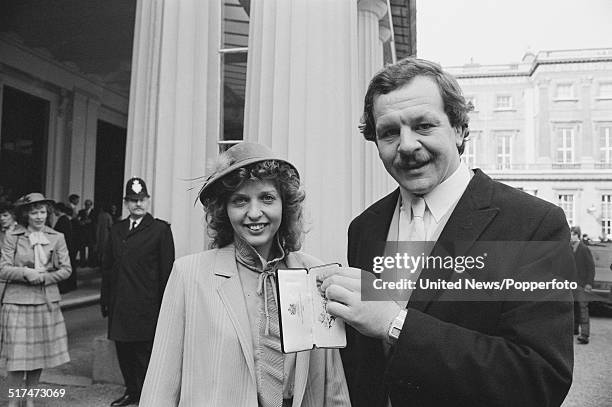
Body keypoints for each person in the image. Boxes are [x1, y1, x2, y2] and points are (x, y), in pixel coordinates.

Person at [319, 58, 575, 407]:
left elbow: (540, 379)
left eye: (423, 126)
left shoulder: (533, 223)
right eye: (389, 132)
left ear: (459, 129)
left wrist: (394, 323)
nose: (406, 146)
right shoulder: (365, 227)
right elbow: (366, 364)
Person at [140, 142, 350, 406]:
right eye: (240, 200)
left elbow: (334, 388)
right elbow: (160, 387)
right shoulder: (188, 275)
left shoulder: (314, 274)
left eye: (266, 198)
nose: (254, 213)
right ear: (224, 209)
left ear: (285, 204)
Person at [101, 177, 175, 406]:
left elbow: (167, 271)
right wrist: (105, 300)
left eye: (141, 199)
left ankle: (146, 395)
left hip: (147, 305)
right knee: (123, 351)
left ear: (148, 200)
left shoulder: (160, 229)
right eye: (133, 200)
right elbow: (108, 268)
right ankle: (131, 392)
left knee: (144, 354)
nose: (138, 204)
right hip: (120, 304)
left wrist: (167, 305)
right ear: (126, 203)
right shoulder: (117, 229)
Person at [0, 193, 71, 407]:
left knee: (37, 355)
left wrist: (45, 278)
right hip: (17, 301)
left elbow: (66, 269)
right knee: (16, 355)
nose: (39, 216)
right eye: (34, 212)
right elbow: (2, 268)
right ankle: (13, 399)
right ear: (25, 214)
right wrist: (25, 273)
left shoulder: (56, 237)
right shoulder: (13, 236)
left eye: (42, 212)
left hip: (45, 301)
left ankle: (30, 397)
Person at [570, 226, 595, 345]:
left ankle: (584, 335)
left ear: (577, 235)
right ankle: (574, 329)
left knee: (583, 309)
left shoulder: (584, 249)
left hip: (582, 285)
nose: (570, 237)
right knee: (573, 308)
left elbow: (591, 267)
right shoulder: (568, 249)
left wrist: (589, 284)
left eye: (572, 234)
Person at [54, 202, 77, 293]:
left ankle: (65, 287)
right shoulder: (65, 219)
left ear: (58, 210)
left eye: (55, 210)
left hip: (65, 248)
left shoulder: (63, 220)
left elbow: (64, 236)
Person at [77, 199, 96, 266]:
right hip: (82, 233)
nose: (87, 206)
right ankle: (82, 263)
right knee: (82, 249)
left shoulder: (94, 212)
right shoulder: (81, 212)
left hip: (91, 233)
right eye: (86, 204)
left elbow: (94, 221)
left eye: (88, 204)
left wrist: (85, 222)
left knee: (91, 249)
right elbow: (78, 220)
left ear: (91, 205)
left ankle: (91, 263)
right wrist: (81, 222)